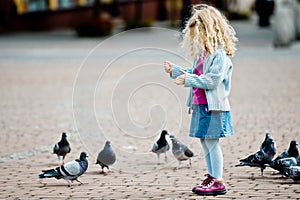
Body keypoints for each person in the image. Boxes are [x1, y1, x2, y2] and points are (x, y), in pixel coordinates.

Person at [163, 4, 238, 196]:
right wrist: (176, 71)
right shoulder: (203, 53)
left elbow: (212, 80)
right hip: (201, 105)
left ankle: (218, 181)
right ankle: (212, 175)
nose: (195, 37)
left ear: (208, 30)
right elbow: (195, 74)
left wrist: (187, 79)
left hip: (214, 107)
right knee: (205, 142)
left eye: (198, 33)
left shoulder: (218, 54)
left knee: (212, 142)